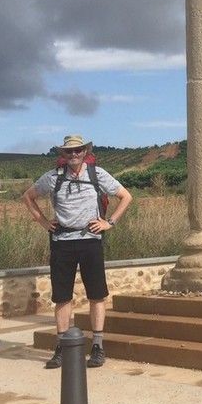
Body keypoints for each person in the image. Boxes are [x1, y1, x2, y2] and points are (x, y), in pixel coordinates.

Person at [22, 134, 133, 369]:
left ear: (84, 152)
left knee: (96, 295)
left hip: (90, 240)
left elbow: (125, 196)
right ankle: (61, 348)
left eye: (77, 151)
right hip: (62, 242)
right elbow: (29, 197)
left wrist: (109, 223)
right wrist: (43, 222)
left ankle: (98, 347)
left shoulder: (97, 174)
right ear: (62, 154)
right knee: (62, 297)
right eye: (68, 152)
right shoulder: (52, 178)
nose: (73, 155)